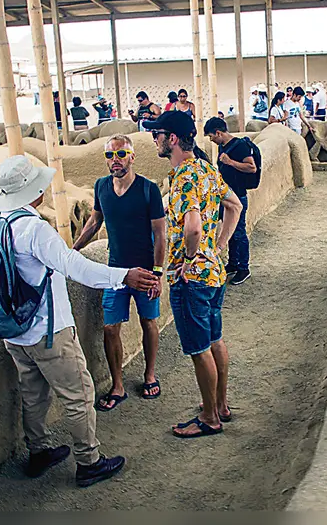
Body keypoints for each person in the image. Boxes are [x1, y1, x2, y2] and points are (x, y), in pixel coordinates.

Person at [0, 154, 158, 486]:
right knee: (79, 394)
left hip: (14, 332)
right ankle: (89, 461)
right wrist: (124, 276)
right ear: (32, 191)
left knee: (33, 394)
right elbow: (74, 266)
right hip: (48, 331)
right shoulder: (34, 229)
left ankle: (39, 452)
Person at [142, 110, 243, 438]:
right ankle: (221, 405)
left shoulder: (184, 175)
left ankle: (210, 418)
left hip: (192, 278)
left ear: (171, 139)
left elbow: (193, 227)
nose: (154, 139)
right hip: (213, 273)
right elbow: (234, 206)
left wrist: (188, 258)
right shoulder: (206, 168)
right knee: (215, 340)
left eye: (157, 134)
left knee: (200, 349)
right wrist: (219, 246)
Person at [72, 135, 167, 411]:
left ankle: (150, 373)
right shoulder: (101, 187)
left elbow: (159, 234)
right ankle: (118, 384)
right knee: (110, 327)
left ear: (132, 157)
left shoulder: (148, 190)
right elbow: (94, 221)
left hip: (146, 269)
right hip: (115, 271)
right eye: (110, 156)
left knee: (149, 322)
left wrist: (158, 273)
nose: (115, 160)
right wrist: (73, 250)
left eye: (121, 154)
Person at [204, 116, 255, 285]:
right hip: (225, 196)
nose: (211, 139)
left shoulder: (240, 146)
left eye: (212, 136)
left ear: (218, 132)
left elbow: (251, 167)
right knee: (230, 230)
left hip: (237, 196)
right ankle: (233, 264)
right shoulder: (223, 146)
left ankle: (244, 268)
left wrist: (230, 162)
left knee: (239, 232)